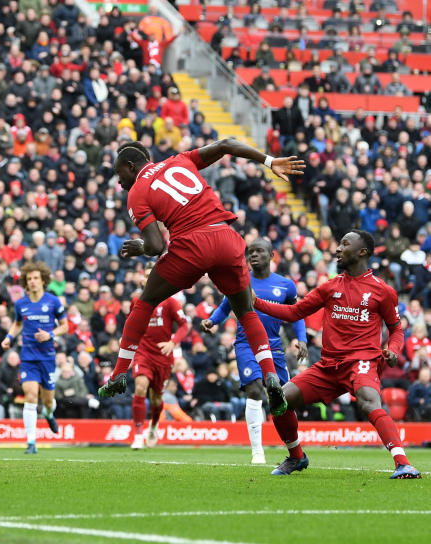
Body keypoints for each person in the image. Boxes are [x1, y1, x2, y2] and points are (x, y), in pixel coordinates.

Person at [98, 140, 305, 420]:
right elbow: (227, 144)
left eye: (118, 172)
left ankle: (119, 374)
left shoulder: (137, 191)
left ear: (130, 166)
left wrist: (140, 246)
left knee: (145, 302)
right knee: (245, 311)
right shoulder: (179, 159)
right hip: (227, 239)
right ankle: (270, 376)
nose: (118, 180)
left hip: (192, 244)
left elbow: (157, 246)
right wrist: (268, 161)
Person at [253, 230, 421, 479]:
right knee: (279, 400)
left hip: (361, 362)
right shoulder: (330, 286)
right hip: (328, 366)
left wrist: (394, 351)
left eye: (345, 244)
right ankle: (296, 456)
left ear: (362, 252)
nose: (338, 249)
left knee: (368, 400)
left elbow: (396, 329)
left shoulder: (382, 291)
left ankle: (403, 463)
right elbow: (294, 312)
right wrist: (254, 301)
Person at [202, 239, 307, 465]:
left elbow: (296, 313)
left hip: (275, 347)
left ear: (272, 255)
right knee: (254, 389)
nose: (254, 255)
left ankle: (294, 448)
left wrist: (302, 339)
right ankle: (257, 451)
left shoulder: (286, 285)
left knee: (282, 395)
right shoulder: (241, 281)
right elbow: (225, 307)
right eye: (251, 252)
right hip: (246, 343)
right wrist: (212, 321)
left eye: (259, 251)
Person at [1, 261, 68, 454]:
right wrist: (8, 337)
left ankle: (48, 414)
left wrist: (51, 335)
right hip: (28, 357)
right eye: (29, 278)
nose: (32, 282)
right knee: (30, 396)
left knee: (47, 401)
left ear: (43, 280)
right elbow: (17, 324)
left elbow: (65, 326)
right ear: (25, 281)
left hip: (47, 357)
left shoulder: (53, 302)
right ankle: (31, 442)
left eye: (36, 278)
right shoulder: (21, 303)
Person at [130, 293, 187, 450]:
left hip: (163, 356)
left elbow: (184, 325)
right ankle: (138, 435)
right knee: (140, 387)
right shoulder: (136, 300)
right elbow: (131, 324)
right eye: (147, 275)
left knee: (156, 399)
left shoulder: (170, 302)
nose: (149, 278)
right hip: (143, 353)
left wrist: (173, 342)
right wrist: (126, 339)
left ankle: (154, 426)